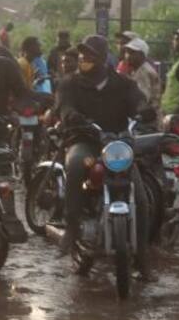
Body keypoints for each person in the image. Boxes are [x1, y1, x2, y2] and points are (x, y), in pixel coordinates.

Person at [55, 35, 144, 252]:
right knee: (75, 165)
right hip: (85, 141)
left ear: (103, 57)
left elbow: (138, 101)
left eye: (90, 54)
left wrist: (144, 110)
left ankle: (142, 253)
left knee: (139, 193)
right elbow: (64, 107)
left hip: (116, 145)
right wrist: (72, 115)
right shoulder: (70, 83)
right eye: (83, 53)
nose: (84, 57)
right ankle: (72, 226)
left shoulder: (124, 83)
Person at [119, 37, 161, 119]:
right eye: (127, 52)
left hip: (147, 121)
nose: (127, 56)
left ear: (142, 55)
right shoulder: (139, 69)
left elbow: (141, 100)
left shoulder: (143, 72)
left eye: (132, 52)